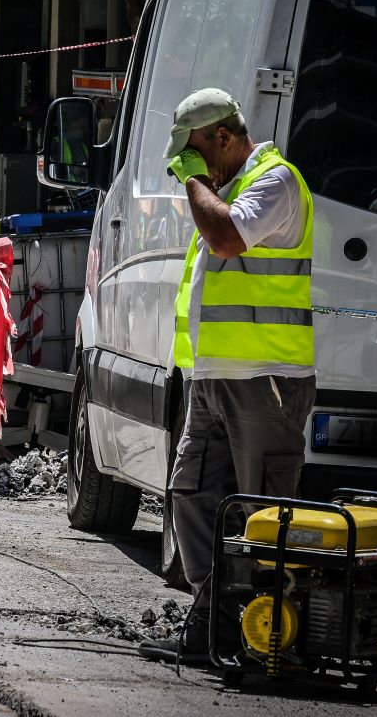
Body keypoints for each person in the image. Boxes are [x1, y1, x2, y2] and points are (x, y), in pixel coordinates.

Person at [138, 87, 316, 666]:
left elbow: (226, 236)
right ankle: (213, 625)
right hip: (213, 377)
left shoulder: (276, 182)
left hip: (266, 379)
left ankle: (270, 642)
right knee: (189, 491)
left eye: (193, 152)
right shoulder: (230, 190)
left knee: (264, 514)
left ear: (222, 137)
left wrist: (194, 180)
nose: (185, 166)